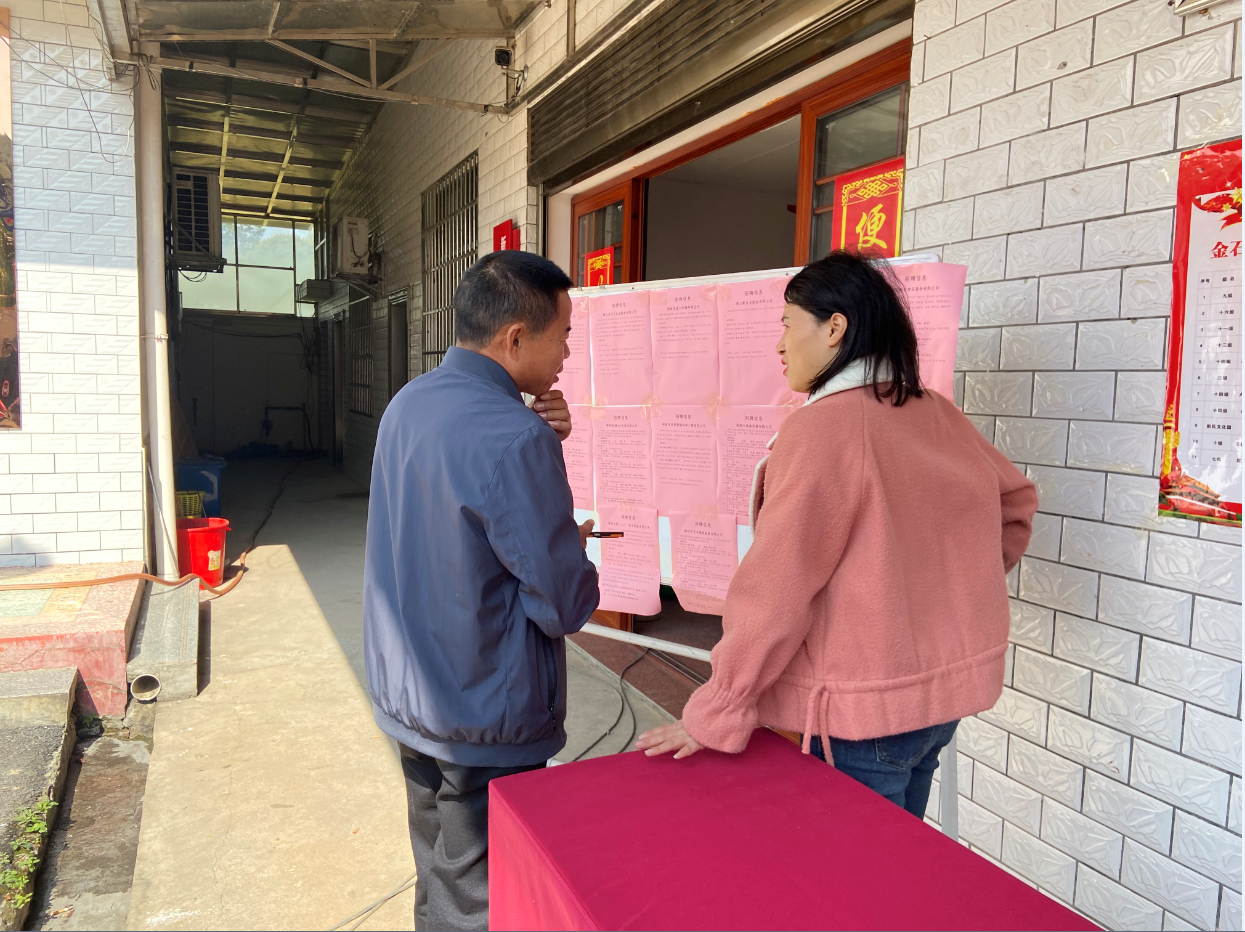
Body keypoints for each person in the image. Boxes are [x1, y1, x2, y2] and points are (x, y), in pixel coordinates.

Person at [637, 251, 1038, 819]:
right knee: (900, 854)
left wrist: (720, 707)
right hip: (938, 705)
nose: (779, 346)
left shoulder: (823, 431)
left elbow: (776, 591)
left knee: (858, 868)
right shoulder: (936, 412)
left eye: (787, 324)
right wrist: (948, 587)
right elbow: (1016, 506)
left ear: (834, 328)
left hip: (861, 712)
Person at [363, 250, 599, 931]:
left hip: (411, 693)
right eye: (563, 335)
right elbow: (562, 603)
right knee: (484, 897)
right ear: (515, 337)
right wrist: (572, 544)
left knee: (439, 868)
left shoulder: (408, 402)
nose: (567, 354)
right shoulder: (517, 437)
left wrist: (539, 441)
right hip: (485, 710)